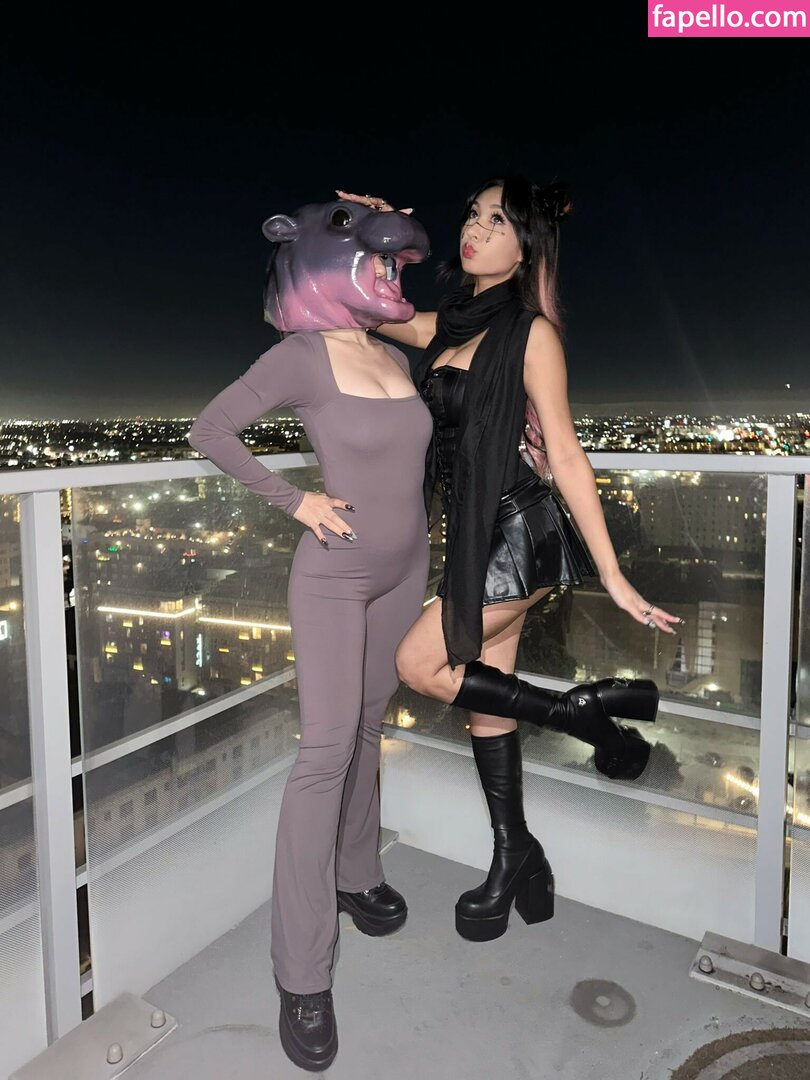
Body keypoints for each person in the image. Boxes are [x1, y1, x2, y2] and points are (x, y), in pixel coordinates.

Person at [339, 176, 682, 944]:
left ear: (526, 246)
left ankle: (586, 717)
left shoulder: (533, 336)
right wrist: (373, 231)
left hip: (521, 534)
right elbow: (364, 306)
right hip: (473, 537)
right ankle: (514, 856)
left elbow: (566, 454)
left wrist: (613, 574)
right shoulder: (447, 326)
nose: (475, 229)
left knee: (419, 664)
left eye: (497, 221)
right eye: (473, 214)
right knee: (487, 711)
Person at [187, 195, 432, 1072]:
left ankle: (356, 874)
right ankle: (301, 972)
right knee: (324, 754)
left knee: (369, 727)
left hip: (407, 567)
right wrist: (295, 501)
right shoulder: (302, 356)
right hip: (335, 575)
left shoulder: (389, 351)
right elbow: (211, 429)